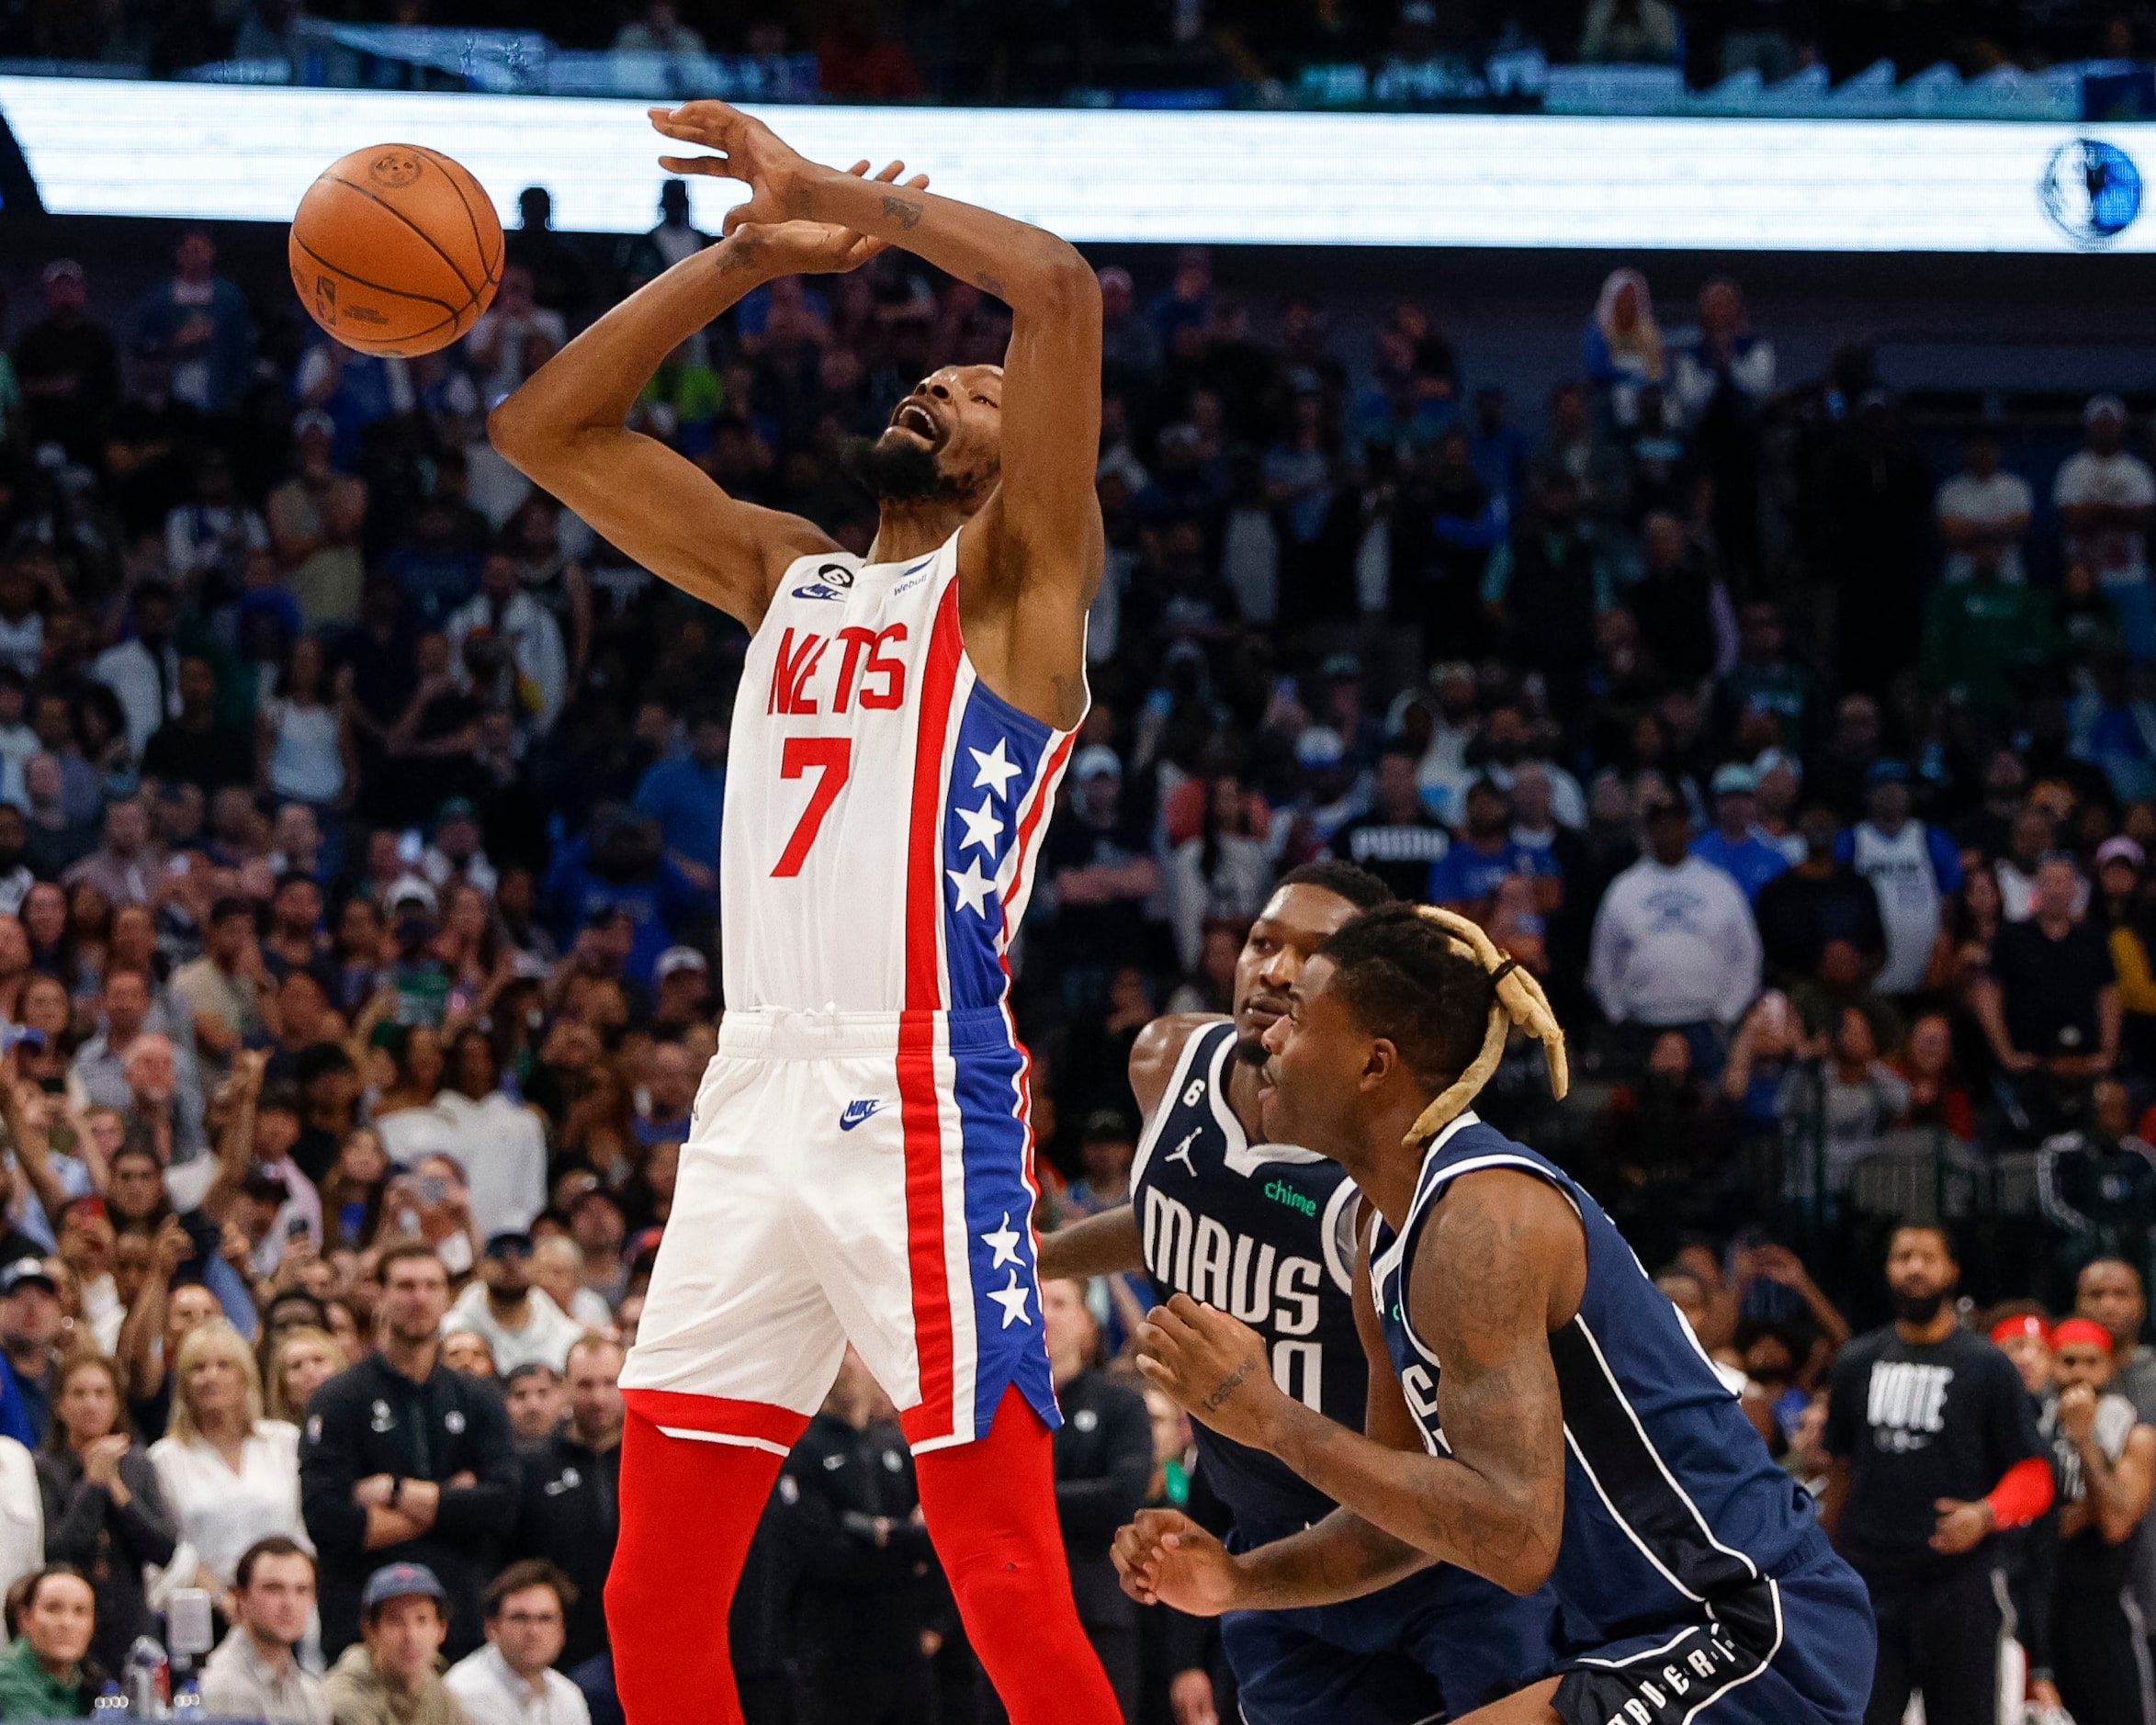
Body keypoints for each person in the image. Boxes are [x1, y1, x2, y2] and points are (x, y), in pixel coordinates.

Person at [489, 99, 1119, 1723]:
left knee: (1000, 1574)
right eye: (925, 376)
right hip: (750, 1088)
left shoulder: (1019, 588)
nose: (940, 385)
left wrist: (848, 197)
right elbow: (544, 432)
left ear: (1019, 445)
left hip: (918, 1089)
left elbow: (1054, 293)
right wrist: (744, 258)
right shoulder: (790, 574)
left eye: (971, 388)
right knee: (652, 1587)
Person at [1116, 903, 1873, 1725]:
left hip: (1747, 1622)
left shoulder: (1482, 1223)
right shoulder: (1378, 1230)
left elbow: (1515, 1539)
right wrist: (1242, 1580)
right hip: (1633, 1638)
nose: (1264, 1040)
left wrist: (1265, 1415)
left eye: (1295, 1021)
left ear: (1375, 1066)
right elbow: (1403, 1526)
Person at [1041, 862, 1553, 1722]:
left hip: (1434, 1557)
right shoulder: (1167, 1059)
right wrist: (1040, 1254)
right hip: (1275, 1554)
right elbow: (1177, 1210)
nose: (1275, 970)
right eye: (1262, 942)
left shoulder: (1393, 1152)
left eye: (1313, 955)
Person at [1821, 1224, 2051, 1725]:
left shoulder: (1987, 1364)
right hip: (1871, 1582)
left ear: (1952, 1271)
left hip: (1958, 1587)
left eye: (1928, 1256)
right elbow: (1839, 1469)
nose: (1914, 1268)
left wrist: (1986, 1514)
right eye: (1902, 1256)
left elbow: (2036, 1474)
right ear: (1887, 1270)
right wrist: (1822, 1557)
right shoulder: (1856, 1361)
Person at [299, 1241, 519, 1659]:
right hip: (361, 1633)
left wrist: (397, 1492)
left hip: (461, 1630)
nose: (419, 1298)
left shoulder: (479, 1397)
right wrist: (450, 1497)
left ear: (447, 1297)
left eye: (431, 1285)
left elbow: (503, 1504)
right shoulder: (339, 1398)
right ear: (379, 1295)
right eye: (405, 1286)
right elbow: (326, 1519)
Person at [767, 1347, 938, 1725]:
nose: (845, 1363)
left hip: (903, 1645)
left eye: (853, 1350)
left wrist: (875, 1532)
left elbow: (937, 1539)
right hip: (831, 1649)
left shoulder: (895, 1446)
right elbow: (820, 1552)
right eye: (833, 1350)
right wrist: (903, 1545)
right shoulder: (800, 1450)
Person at [2042, 1317, 2156, 1725]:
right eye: (2068, 1360)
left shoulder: (2135, 1434)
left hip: (2103, 1609)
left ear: (2109, 1367)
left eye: (2091, 1362)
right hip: (2039, 1607)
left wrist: (2085, 1439)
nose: (2079, 1373)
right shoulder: (2033, 1422)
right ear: (2050, 1364)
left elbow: (2114, 1522)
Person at [38, 1350, 176, 1677]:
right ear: (59, 1405)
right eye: (79, 1393)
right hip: (67, 1628)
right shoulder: (44, 1468)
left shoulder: (138, 1465)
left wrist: (115, 1486)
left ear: (116, 1403)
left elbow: (164, 1548)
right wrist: (92, 1486)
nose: (91, 1403)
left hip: (131, 1625)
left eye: (102, 1393)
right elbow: (57, 1551)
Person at [148, 1319, 307, 1595]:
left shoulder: (285, 1442)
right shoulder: (164, 1460)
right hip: (203, 1610)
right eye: (198, 1368)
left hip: (286, 1604)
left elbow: (305, 1532)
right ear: (184, 1383)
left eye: (224, 1366)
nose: (211, 1377)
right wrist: (223, 1599)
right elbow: (161, 1552)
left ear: (245, 1375)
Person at [1587, 796, 1763, 1039]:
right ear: (1649, 832)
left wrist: (1727, 1013)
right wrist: (1617, 1015)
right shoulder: (1624, 888)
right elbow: (1603, 959)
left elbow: (1747, 953)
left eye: (1676, 824)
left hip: (1707, 1020)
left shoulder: (1719, 885)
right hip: (1641, 1022)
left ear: (1688, 830)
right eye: (1661, 825)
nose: (1669, 832)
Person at [512, 1335, 623, 1671]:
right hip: (558, 1650)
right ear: (565, 1389)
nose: (598, 1397)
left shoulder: (650, 1463)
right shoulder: (531, 1466)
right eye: (586, 1385)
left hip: (636, 1643)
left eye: (610, 1383)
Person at [1834, 761, 1961, 997]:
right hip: (1866, 974)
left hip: (1926, 972)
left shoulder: (1932, 838)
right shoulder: (1850, 840)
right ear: (1868, 795)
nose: (1890, 793)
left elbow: (1949, 898)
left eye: (1897, 786)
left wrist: (1944, 946)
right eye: (1881, 787)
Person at [198, 1536, 333, 1724]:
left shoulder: (312, 1694)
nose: (289, 1603)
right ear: (241, 1597)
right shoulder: (222, 1686)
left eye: (302, 1590)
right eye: (274, 1589)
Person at [446, 1561, 592, 1725]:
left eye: (546, 1618)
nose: (533, 1631)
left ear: (562, 1630)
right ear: (491, 1628)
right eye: (520, 1618)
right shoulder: (466, 1691)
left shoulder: (568, 1695)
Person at [324, 1562, 465, 1725]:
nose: (410, 1636)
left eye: (422, 1620)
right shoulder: (346, 1695)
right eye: (395, 1621)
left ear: (442, 1629)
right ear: (370, 1632)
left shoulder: (438, 1693)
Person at [440, 1231, 582, 1374]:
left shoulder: (567, 1336)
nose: (511, 1261)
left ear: (536, 1266)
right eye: (499, 1252)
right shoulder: (446, 1332)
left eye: (522, 1251)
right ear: (481, 1267)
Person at [0, 1565, 96, 1719]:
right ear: (25, 1618)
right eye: (53, 1608)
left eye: (80, 1611)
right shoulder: (5, 1678)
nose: (67, 1623)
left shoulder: (94, 1681)